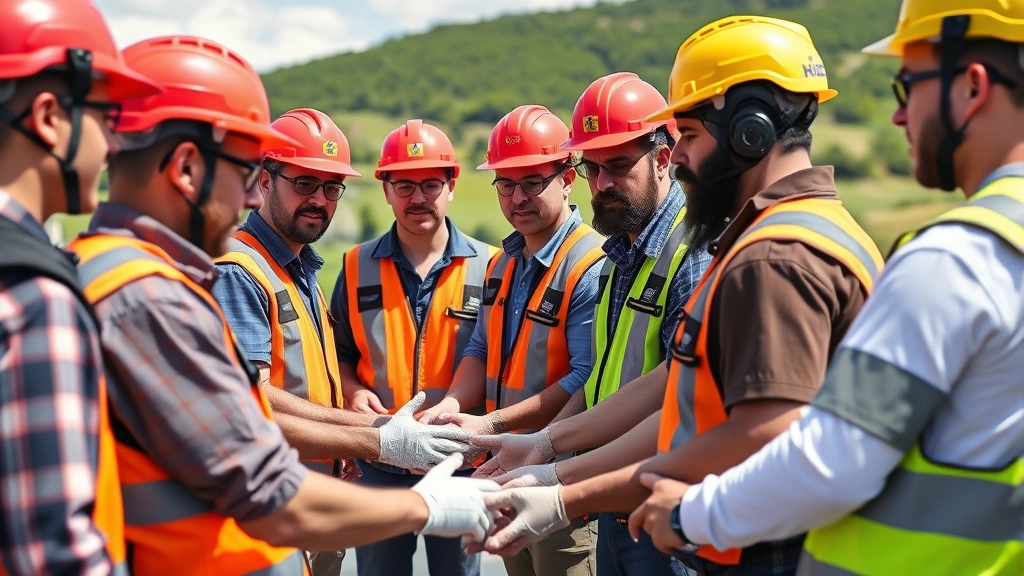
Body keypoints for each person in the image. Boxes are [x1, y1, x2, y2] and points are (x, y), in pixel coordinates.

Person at [67, 35, 497, 576]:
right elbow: (262, 460)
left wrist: (370, 435)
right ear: (186, 168)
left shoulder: (107, 273)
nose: (250, 196)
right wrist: (409, 483)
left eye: (330, 188)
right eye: (248, 173)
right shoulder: (156, 297)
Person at [480, 15, 885, 576]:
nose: (684, 160)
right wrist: (551, 452)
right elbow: (683, 386)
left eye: (688, 136)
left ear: (753, 131)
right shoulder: (811, 229)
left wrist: (561, 491)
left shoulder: (774, 255)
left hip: (764, 547)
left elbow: (756, 436)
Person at [631, 2, 1024, 575]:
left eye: (907, 84)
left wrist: (690, 513)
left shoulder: (956, 260)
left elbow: (833, 462)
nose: (897, 117)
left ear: (972, 85)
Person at [472, 72, 712, 576]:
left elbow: (679, 394)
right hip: (609, 499)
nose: (603, 184)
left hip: (662, 505)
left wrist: (555, 464)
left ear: (663, 156)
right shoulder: (618, 254)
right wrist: (544, 445)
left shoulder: (692, 252)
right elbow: (602, 377)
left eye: (619, 166)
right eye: (593, 168)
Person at [0, 1, 161, 574]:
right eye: (105, 118)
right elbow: (58, 556)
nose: (114, 147)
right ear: (48, 117)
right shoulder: (35, 297)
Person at [416, 104, 606, 576]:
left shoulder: (591, 263)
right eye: (505, 183)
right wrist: (454, 406)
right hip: (507, 471)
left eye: (532, 182)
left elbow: (587, 377)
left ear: (567, 177)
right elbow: (480, 348)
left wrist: (493, 426)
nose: (517, 197)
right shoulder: (503, 263)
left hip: (561, 481)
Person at [329, 119, 497, 576]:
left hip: (459, 460)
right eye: (404, 185)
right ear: (385, 189)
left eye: (430, 184)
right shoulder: (354, 264)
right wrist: (350, 390)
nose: (418, 197)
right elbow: (338, 352)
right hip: (379, 460)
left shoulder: (492, 266)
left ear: (451, 186)